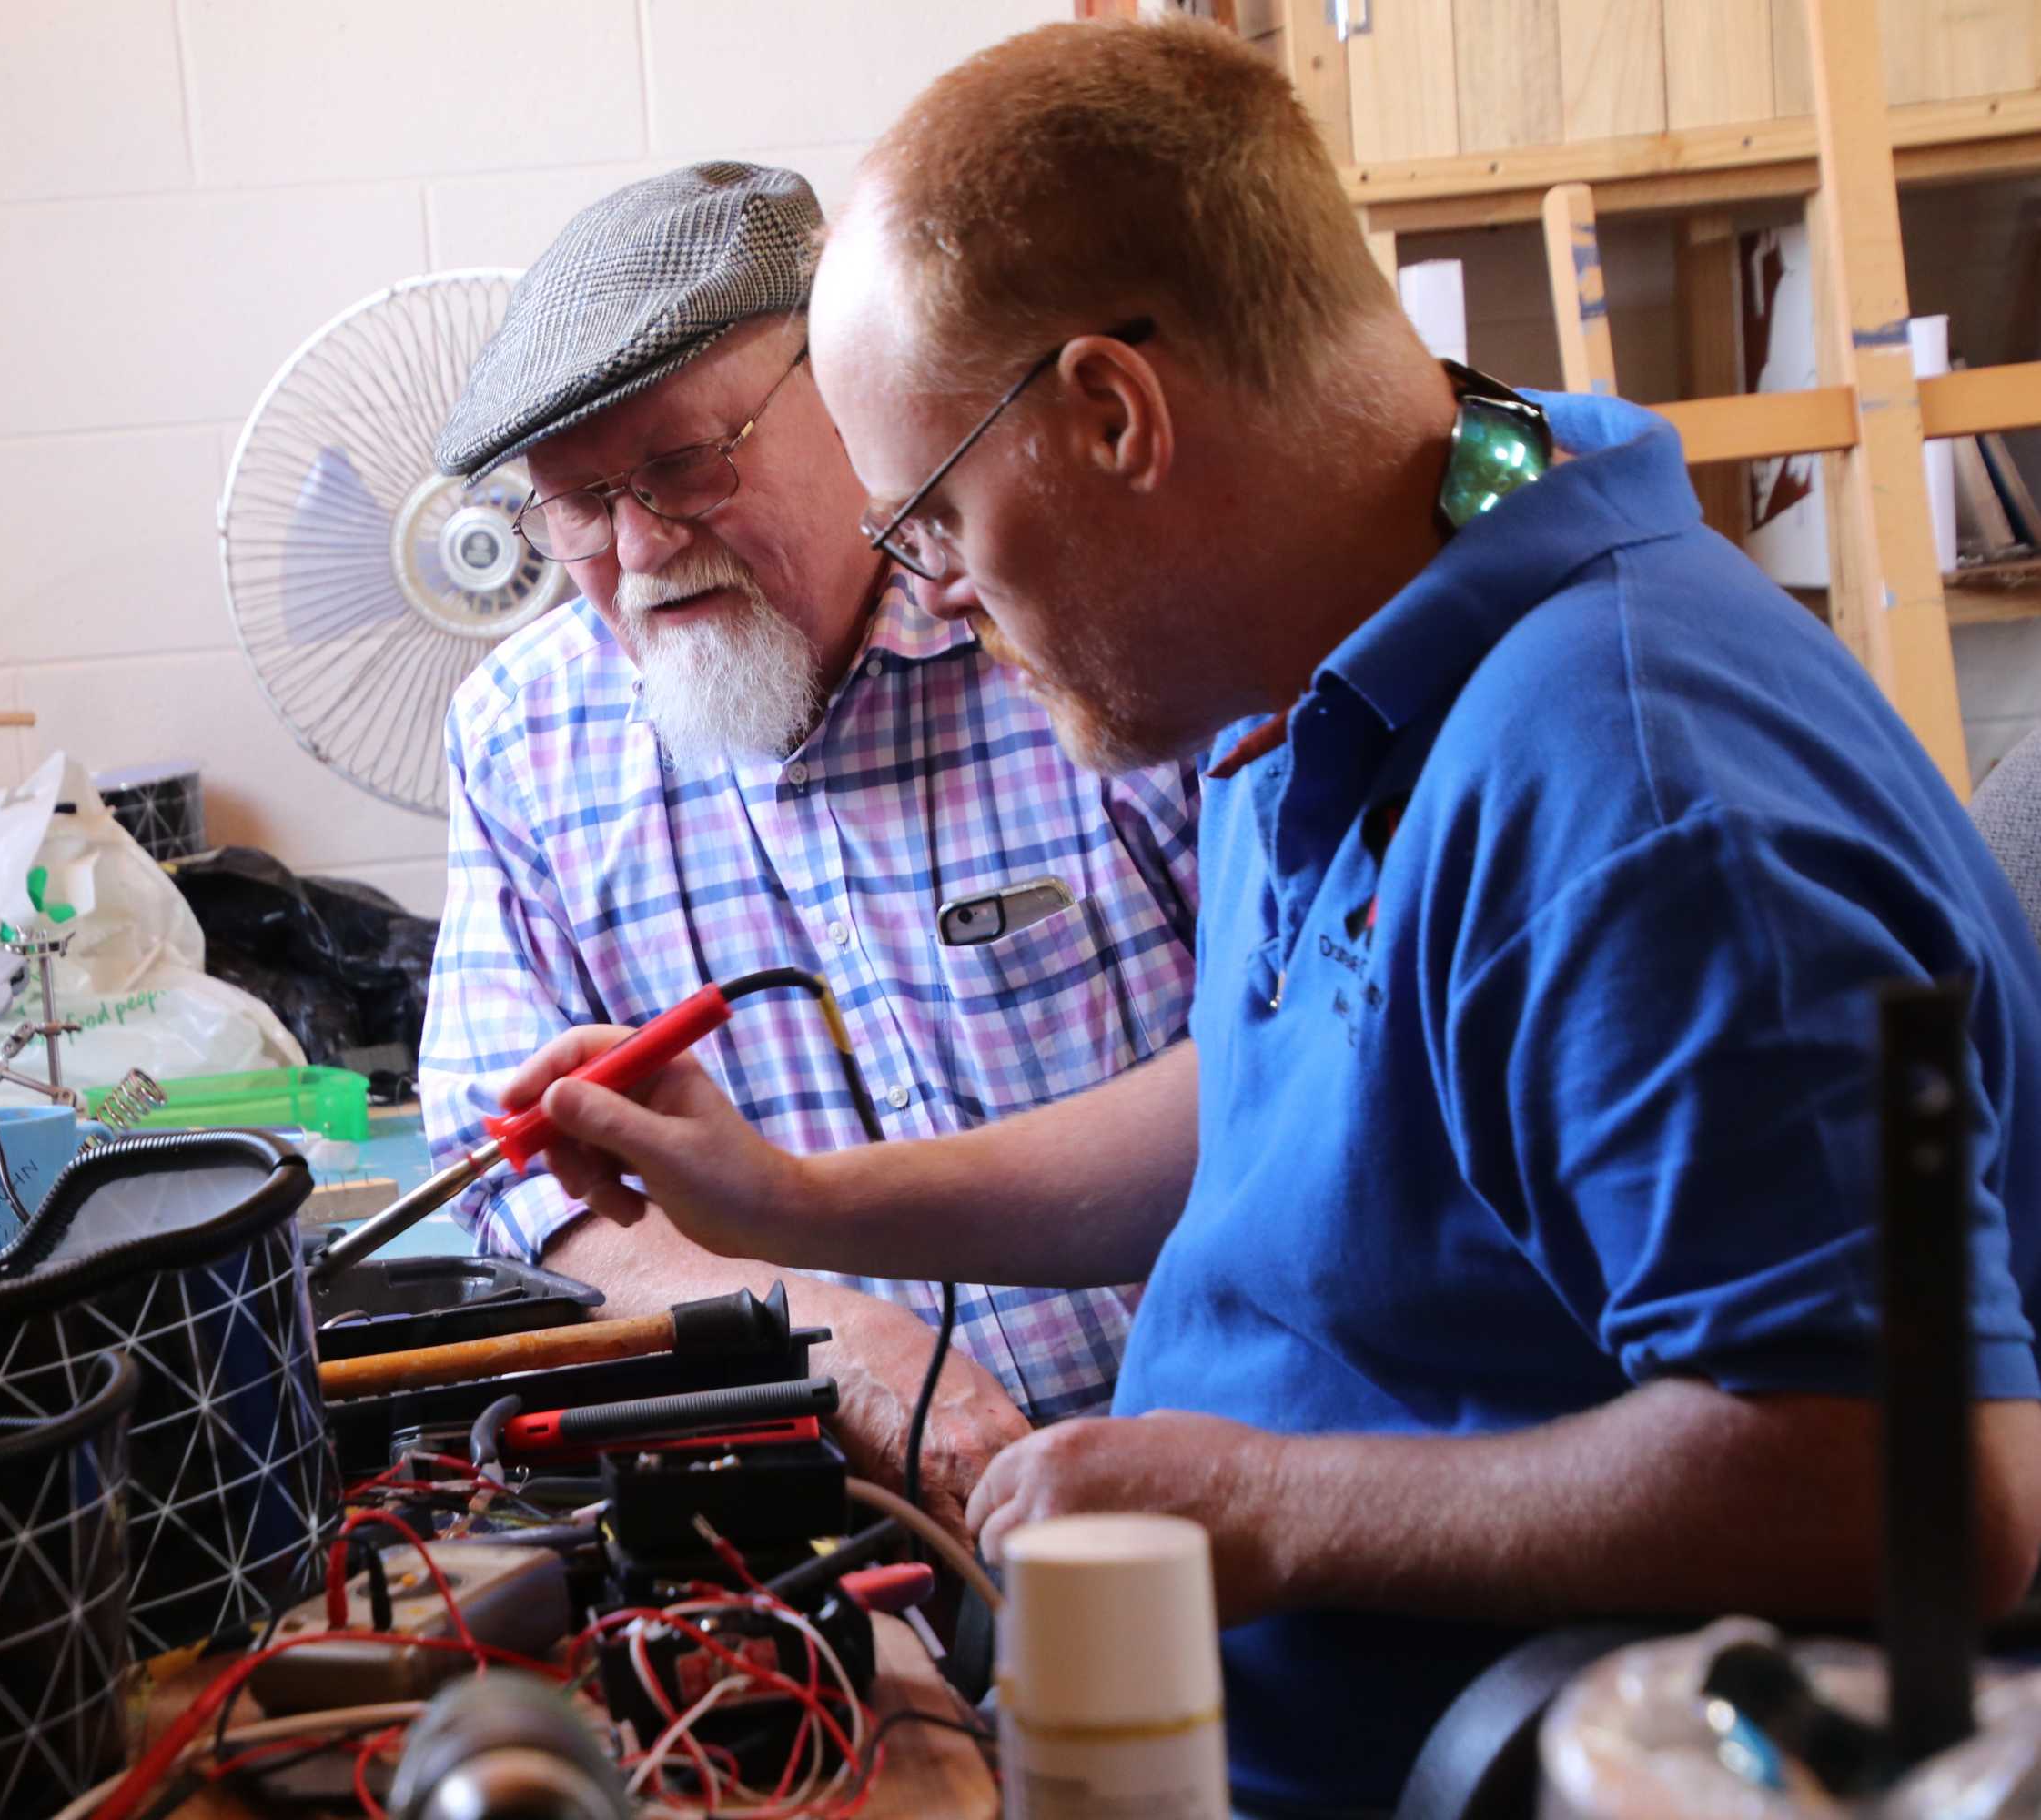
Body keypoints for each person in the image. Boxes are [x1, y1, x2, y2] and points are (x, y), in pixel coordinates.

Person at [492, 22, 2041, 1815]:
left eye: (939, 521)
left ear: (1110, 416)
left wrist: (1265, 1506)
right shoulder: (1332, 651)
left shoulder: (1643, 804)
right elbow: (1286, 1097)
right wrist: (797, 1199)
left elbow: (1936, 1486)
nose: (950, 595)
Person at [419, 162, 1202, 1532]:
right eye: (580, 504)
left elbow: (1301, 1058)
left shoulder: (1066, 627)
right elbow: (520, 1183)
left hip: (1231, 1462)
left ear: (841, 393)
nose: (645, 546)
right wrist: (838, 1342)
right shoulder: (521, 738)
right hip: (850, 1516)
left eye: (684, 463)